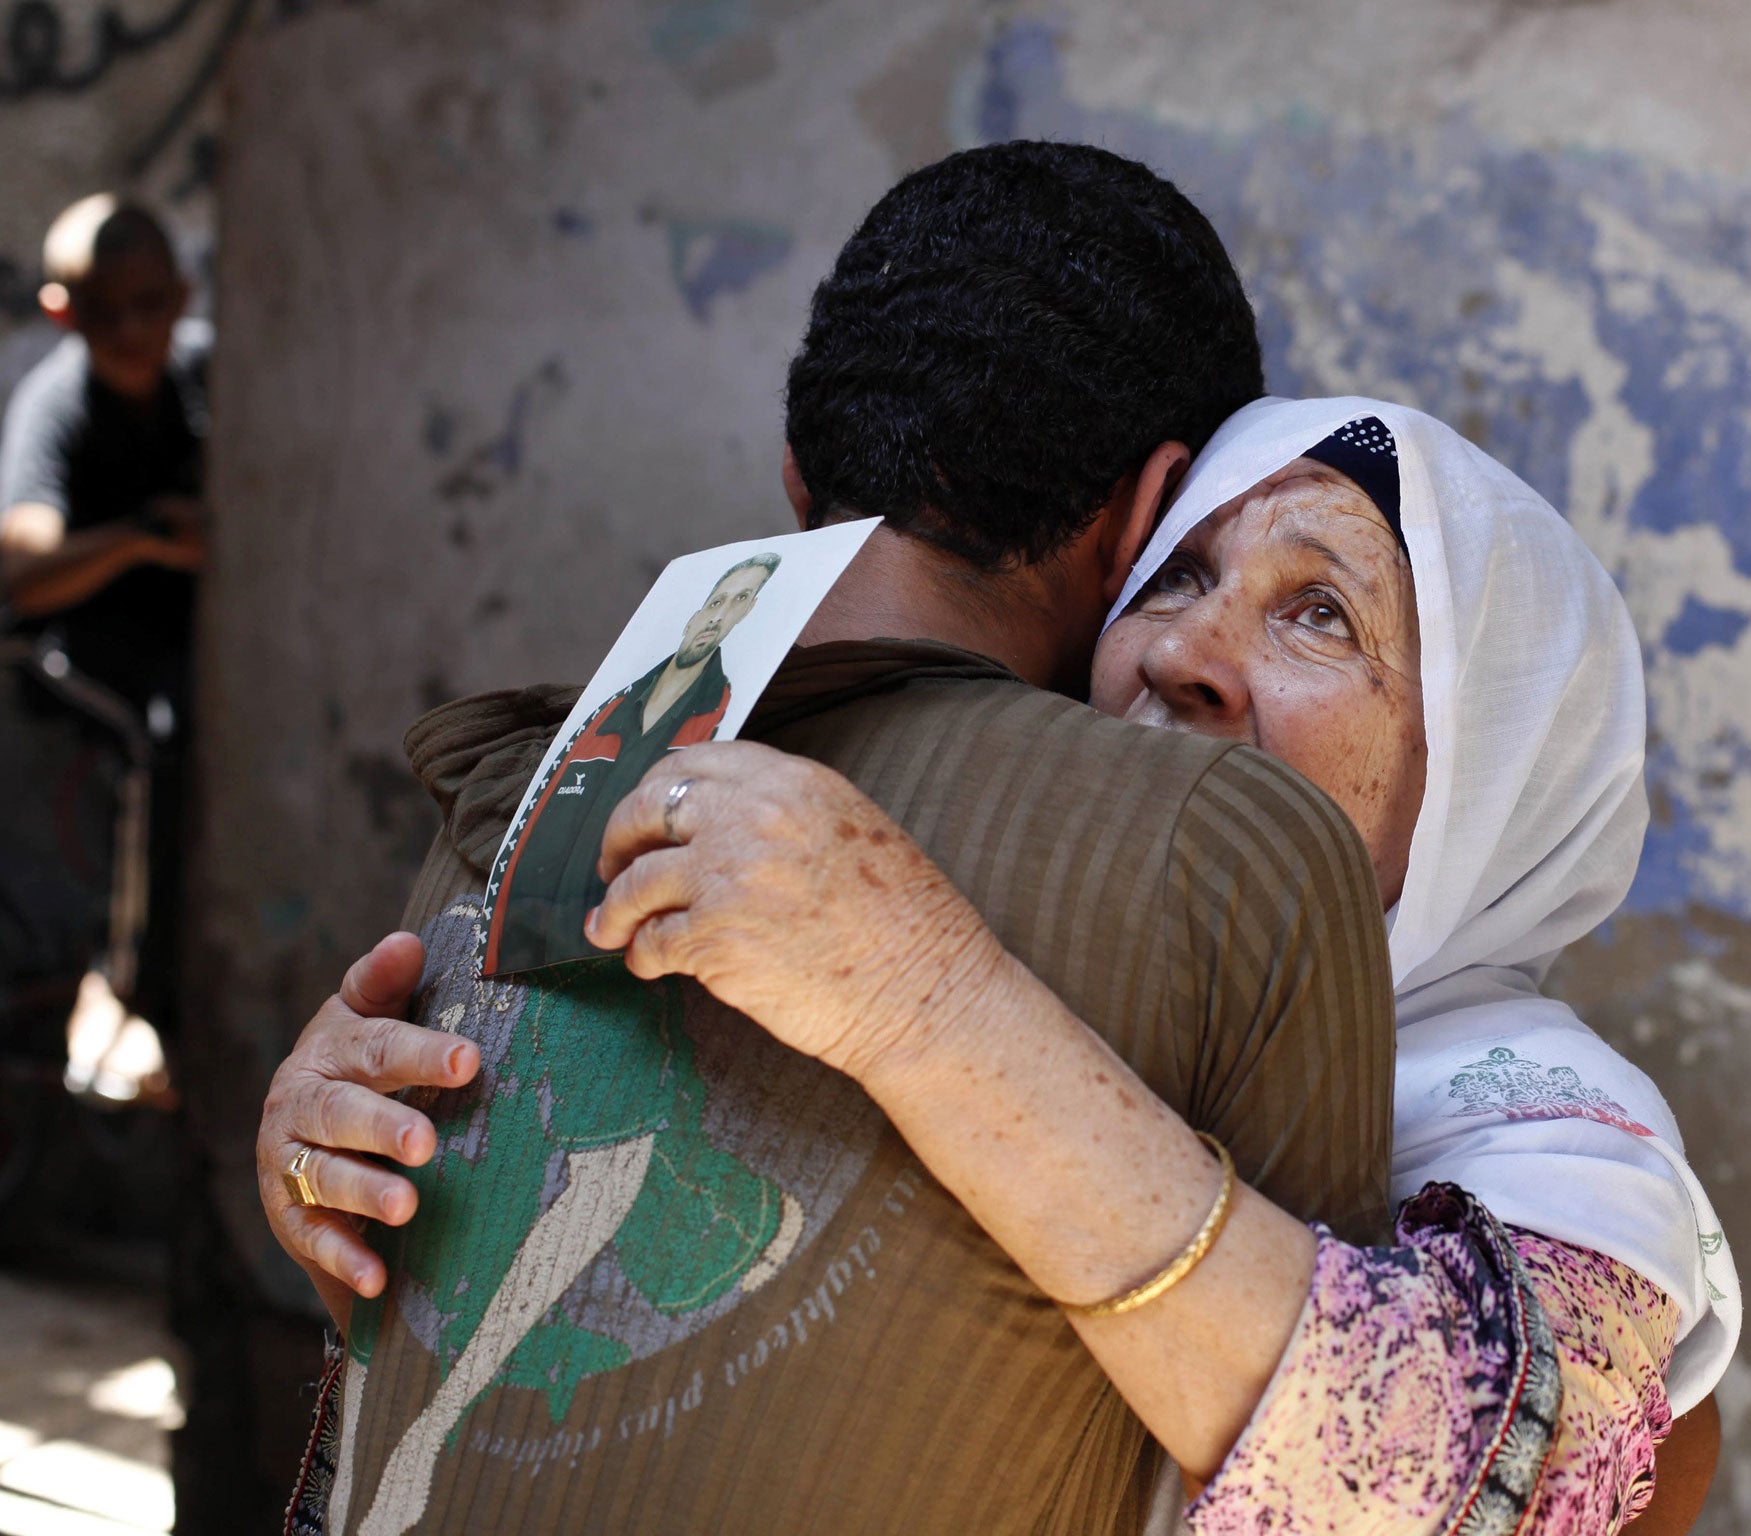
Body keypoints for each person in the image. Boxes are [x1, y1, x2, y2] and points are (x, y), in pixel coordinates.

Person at [264, 142, 1394, 1536]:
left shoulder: (522, 793)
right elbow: (1370, 1477)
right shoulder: (1238, 850)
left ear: (800, 475)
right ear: (1151, 511)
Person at [577, 395, 1743, 1533]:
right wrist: (433, 1141)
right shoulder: (889, 926)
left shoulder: (1558, 1148)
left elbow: (1462, 1491)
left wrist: (917, 1000)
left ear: (1488, 784)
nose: (1183, 652)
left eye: (1321, 614)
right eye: (1175, 577)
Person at [0, 193, 209, 1041]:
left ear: (182, 296)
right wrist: (145, 540)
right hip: (78, 654)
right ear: (62, 312)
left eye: (147, 304)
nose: (128, 329)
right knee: (157, 737)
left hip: (185, 641)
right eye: (102, 310)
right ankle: (127, 993)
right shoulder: (59, 407)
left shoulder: (210, 374)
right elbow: (23, 572)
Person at [485, 551, 778, 974]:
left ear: (747, 614)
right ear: (694, 616)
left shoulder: (724, 719)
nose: (719, 616)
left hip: (619, 976)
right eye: (716, 602)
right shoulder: (604, 712)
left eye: (739, 602)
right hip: (520, 960)